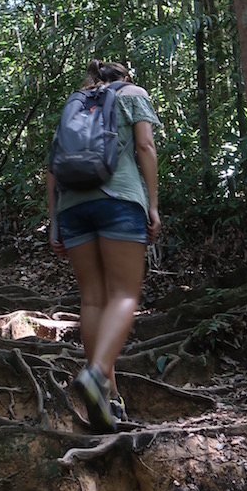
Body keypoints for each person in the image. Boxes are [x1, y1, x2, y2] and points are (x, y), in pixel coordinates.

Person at [46, 59, 161, 431]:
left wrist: (55, 221)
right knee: (125, 296)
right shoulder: (132, 94)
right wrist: (153, 204)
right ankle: (96, 374)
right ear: (125, 77)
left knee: (92, 299)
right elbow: (144, 146)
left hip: (73, 206)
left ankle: (108, 398)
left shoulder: (76, 102)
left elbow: (52, 168)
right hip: (119, 199)